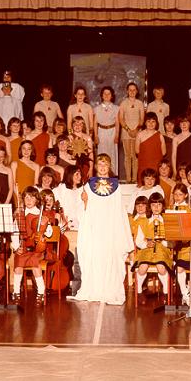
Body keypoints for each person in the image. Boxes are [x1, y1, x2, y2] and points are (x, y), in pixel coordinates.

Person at [70, 154, 133, 305]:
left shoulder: (116, 186)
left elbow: (119, 211)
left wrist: (119, 232)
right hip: (95, 230)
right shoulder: (88, 186)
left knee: (110, 259)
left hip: (110, 230)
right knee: (95, 258)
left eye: (106, 164)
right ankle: (95, 288)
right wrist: (85, 202)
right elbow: (83, 212)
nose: (103, 167)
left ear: (109, 166)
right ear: (96, 167)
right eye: (100, 164)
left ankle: (109, 290)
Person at [131, 192, 172, 303]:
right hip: (147, 249)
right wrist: (146, 244)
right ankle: (139, 292)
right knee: (142, 267)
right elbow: (139, 240)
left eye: (159, 205)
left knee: (161, 267)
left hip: (162, 250)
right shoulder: (144, 221)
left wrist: (164, 242)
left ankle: (166, 292)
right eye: (153, 205)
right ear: (150, 206)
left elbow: (173, 241)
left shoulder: (167, 221)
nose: (156, 208)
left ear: (163, 206)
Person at [9, 186, 47, 305]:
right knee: (18, 265)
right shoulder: (20, 215)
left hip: (37, 249)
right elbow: (14, 233)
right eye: (26, 197)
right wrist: (16, 247)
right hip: (24, 248)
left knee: (35, 266)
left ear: (37, 200)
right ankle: (16, 291)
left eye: (31, 197)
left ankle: (41, 291)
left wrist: (43, 233)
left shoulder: (41, 215)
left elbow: (49, 231)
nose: (28, 200)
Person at [56, 165, 84, 297]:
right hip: (65, 228)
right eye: (76, 174)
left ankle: (77, 286)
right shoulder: (61, 190)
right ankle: (65, 282)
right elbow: (57, 206)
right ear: (70, 175)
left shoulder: (82, 190)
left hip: (79, 228)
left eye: (80, 174)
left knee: (79, 257)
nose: (79, 177)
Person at [118, 82, 144, 183]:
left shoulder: (140, 103)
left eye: (134, 90)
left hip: (138, 133)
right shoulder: (123, 103)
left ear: (137, 91)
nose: (132, 92)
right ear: (127, 91)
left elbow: (142, 119)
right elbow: (121, 119)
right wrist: (128, 130)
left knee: (136, 156)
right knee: (128, 156)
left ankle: (135, 178)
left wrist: (136, 130)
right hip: (126, 133)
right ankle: (128, 178)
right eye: (130, 90)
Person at [93, 86, 120, 175]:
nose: (106, 95)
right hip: (101, 131)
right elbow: (95, 123)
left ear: (112, 96)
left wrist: (116, 135)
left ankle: (113, 174)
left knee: (112, 153)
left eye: (109, 93)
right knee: (102, 153)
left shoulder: (116, 108)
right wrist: (96, 136)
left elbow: (117, 123)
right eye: (104, 93)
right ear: (101, 95)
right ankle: (100, 173)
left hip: (112, 131)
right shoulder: (97, 108)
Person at [135, 112, 166, 185]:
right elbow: (137, 151)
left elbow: (164, 152)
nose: (151, 124)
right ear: (145, 123)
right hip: (144, 166)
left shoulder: (160, 135)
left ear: (156, 123)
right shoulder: (140, 135)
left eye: (153, 121)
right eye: (148, 121)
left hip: (156, 166)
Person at [68, 116, 94, 181]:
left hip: (85, 164)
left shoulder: (87, 137)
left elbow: (90, 153)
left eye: (80, 124)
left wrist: (91, 168)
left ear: (83, 126)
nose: (77, 126)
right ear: (72, 126)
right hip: (73, 163)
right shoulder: (69, 137)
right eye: (75, 124)